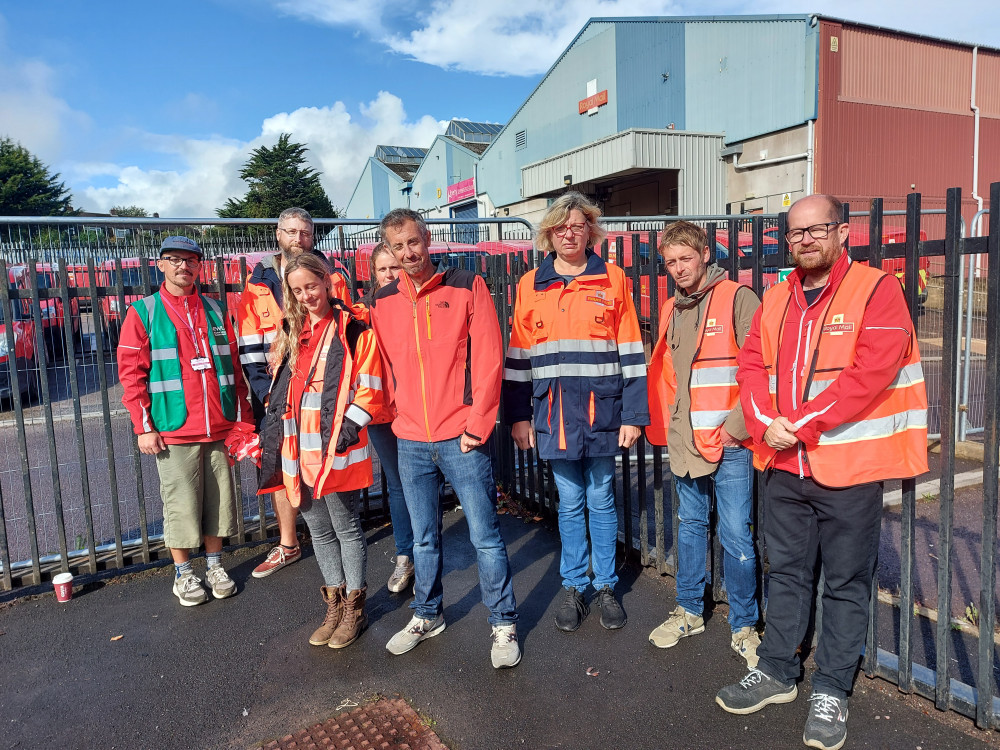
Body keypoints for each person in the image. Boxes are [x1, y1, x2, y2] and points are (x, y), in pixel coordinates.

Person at [715, 195, 928, 750]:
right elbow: (752, 365)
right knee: (784, 572)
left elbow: (871, 372)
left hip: (848, 469)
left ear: (842, 232)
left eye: (816, 229)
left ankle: (831, 689)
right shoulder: (777, 297)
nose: (805, 240)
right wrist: (766, 421)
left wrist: (798, 424)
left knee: (846, 583)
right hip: (783, 465)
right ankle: (779, 670)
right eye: (795, 233)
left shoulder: (876, 289)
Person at [369, 208, 521, 669]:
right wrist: (394, 418)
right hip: (410, 438)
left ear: (427, 238)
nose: (408, 253)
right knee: (423, 540)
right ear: (389, 251)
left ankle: (503, 622)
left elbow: (490, 357)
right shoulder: (383, 303)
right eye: (398, 247)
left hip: (461, 436)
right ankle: (427, 614)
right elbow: (379, 368)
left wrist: (479, 423)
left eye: (414, 242)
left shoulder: (465, 285)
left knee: (486, 537)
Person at [503, 191, 648, 632]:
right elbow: (518, 355)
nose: (570, 233)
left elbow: (632, 351)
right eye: (561, 227)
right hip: (553, 415)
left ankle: (605, 585)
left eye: (578, 225)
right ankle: (573, 585)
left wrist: (633, 415)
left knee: (601, 500)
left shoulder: (614, 279)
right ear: (549, 233)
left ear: (591, 231)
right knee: (569, 503)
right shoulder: (531, 284)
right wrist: (518, 415)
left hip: (603, 410)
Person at [645, 221, 762, 666]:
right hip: (687, 443)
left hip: (731, 443)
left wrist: (736, 428)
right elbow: (674, 381)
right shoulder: (672, 308)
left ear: (706, 254)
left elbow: (761, 367)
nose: (678, 268)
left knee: (736, 535)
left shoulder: (737, 297)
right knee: (691, 526)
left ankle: (744, 625)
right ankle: (690, 610)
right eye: (670, 262)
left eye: (685, 259)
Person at [118, 235, 252, 606]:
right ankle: (183, 573)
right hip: (174, 428)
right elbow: (131, 374)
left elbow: (234, 369)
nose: (183, 266)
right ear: (160, 264)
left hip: (220, 425)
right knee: (180, 503)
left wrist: (241, 420)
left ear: (199, 266)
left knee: (220, 502)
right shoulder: (142, 312)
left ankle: (214, 565)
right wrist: (144, 426)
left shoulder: (214, 308)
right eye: (174, 259)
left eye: (191, 260)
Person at [257, 252, 382, 648]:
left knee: (345, 528)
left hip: (335, 447)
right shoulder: (292, 330)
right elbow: (280, 387)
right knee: (320, 531)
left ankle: (353, 609)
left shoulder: (353, 327)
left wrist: (346, 433)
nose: (307, 295)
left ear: (327, 282)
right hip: (298, 448)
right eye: (297, 290)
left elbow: (370, 385)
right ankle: (333, 603)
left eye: (312, 286)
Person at [236, 207, 351, 580]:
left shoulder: (334, 276)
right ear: (277, 233)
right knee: (283, 466)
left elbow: (350, 331)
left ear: (313, 236)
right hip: (277, 396)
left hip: (325, 394)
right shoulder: (256, 287)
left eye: (304, 232)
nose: (297, 238)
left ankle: (337, 538)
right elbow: (251, 351)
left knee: (330, 463)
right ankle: (288, 543)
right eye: (290, 231)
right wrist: (269, 398)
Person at [353, 242, 415, 593]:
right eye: (383, 269)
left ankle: (424, 548)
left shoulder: (415, 305)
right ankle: (406, 554)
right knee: (398, 482)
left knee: (420, 479)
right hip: (380, 411)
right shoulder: (364, 311)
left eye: (396, 267)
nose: (391, 275)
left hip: (414, 406)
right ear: (373, 274)